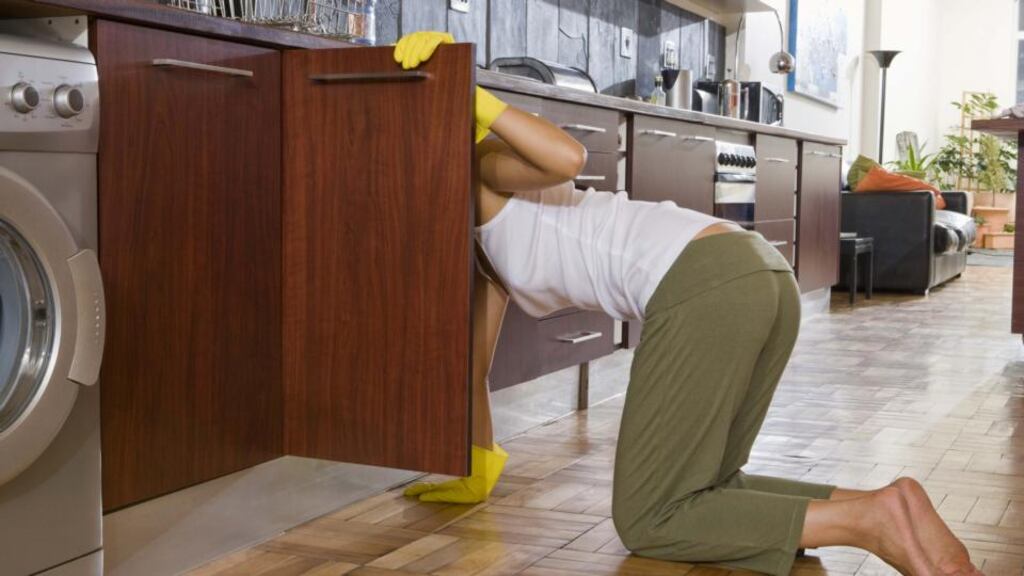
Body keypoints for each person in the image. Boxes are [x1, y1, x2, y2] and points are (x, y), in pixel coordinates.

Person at [393, 32, 979, 576]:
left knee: (650, 518)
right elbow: (473, 366)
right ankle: (889, 505)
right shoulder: (483, 245)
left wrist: (469, 94)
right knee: (708, 486)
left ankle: (868, 524)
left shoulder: (483, 164)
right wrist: (475, 464)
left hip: (707, 286)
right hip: (754, 276)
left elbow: (566, 157)